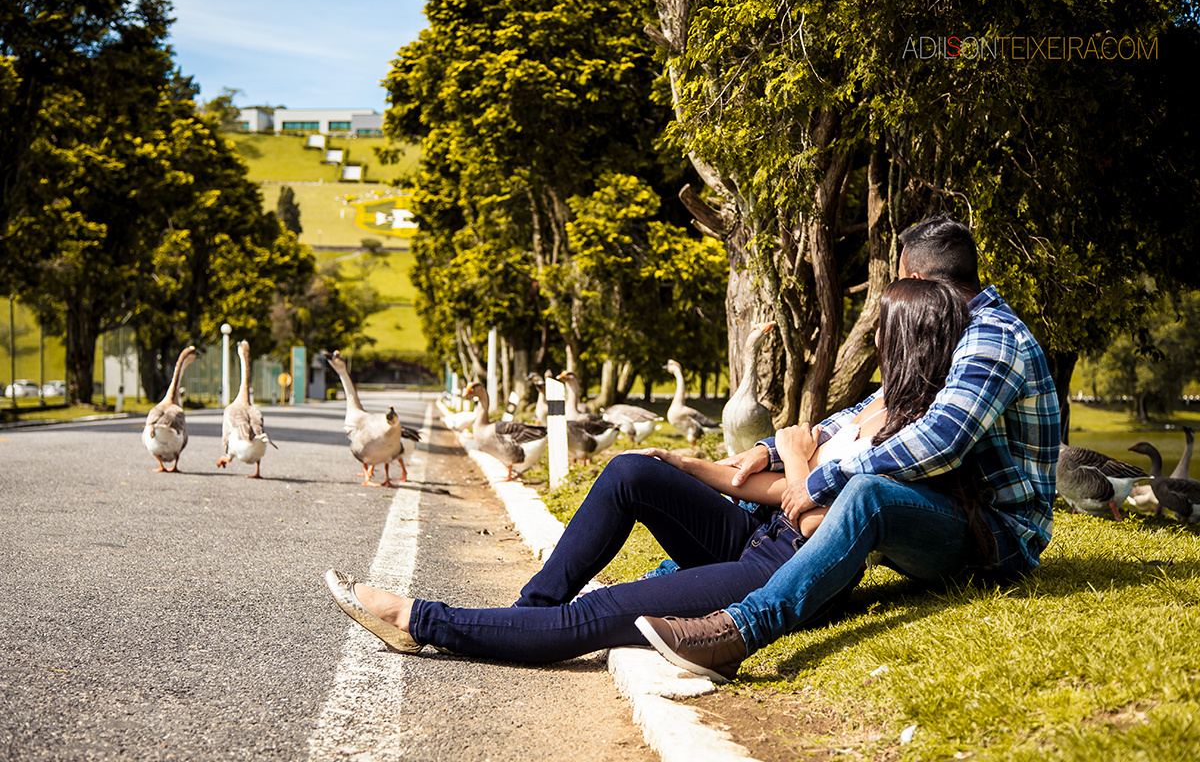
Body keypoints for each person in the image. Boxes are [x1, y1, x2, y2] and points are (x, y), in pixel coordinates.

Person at [324, 277, 972, 666]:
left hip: (778, 570)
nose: (877, 342)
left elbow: (822, 523)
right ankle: (526, 615)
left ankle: (420, 622)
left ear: (908, 340)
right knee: (632, 470)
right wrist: (691, 465)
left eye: (885, 330)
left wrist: (801, 457)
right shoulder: (880, 407)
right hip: (756, 536)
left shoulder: (920, 440)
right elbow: (783, 492)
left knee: (598, 615)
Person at [635, 215, 1061, 683]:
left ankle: (737, 632)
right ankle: (677, 581)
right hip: (954, 509)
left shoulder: (991, 337)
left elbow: (941, 441)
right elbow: (868, 411)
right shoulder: (951, 327)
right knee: (832, 477)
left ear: (914, 281)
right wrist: (775, 451)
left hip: (1001, 536)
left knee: (864, 493)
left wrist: (820, 478)